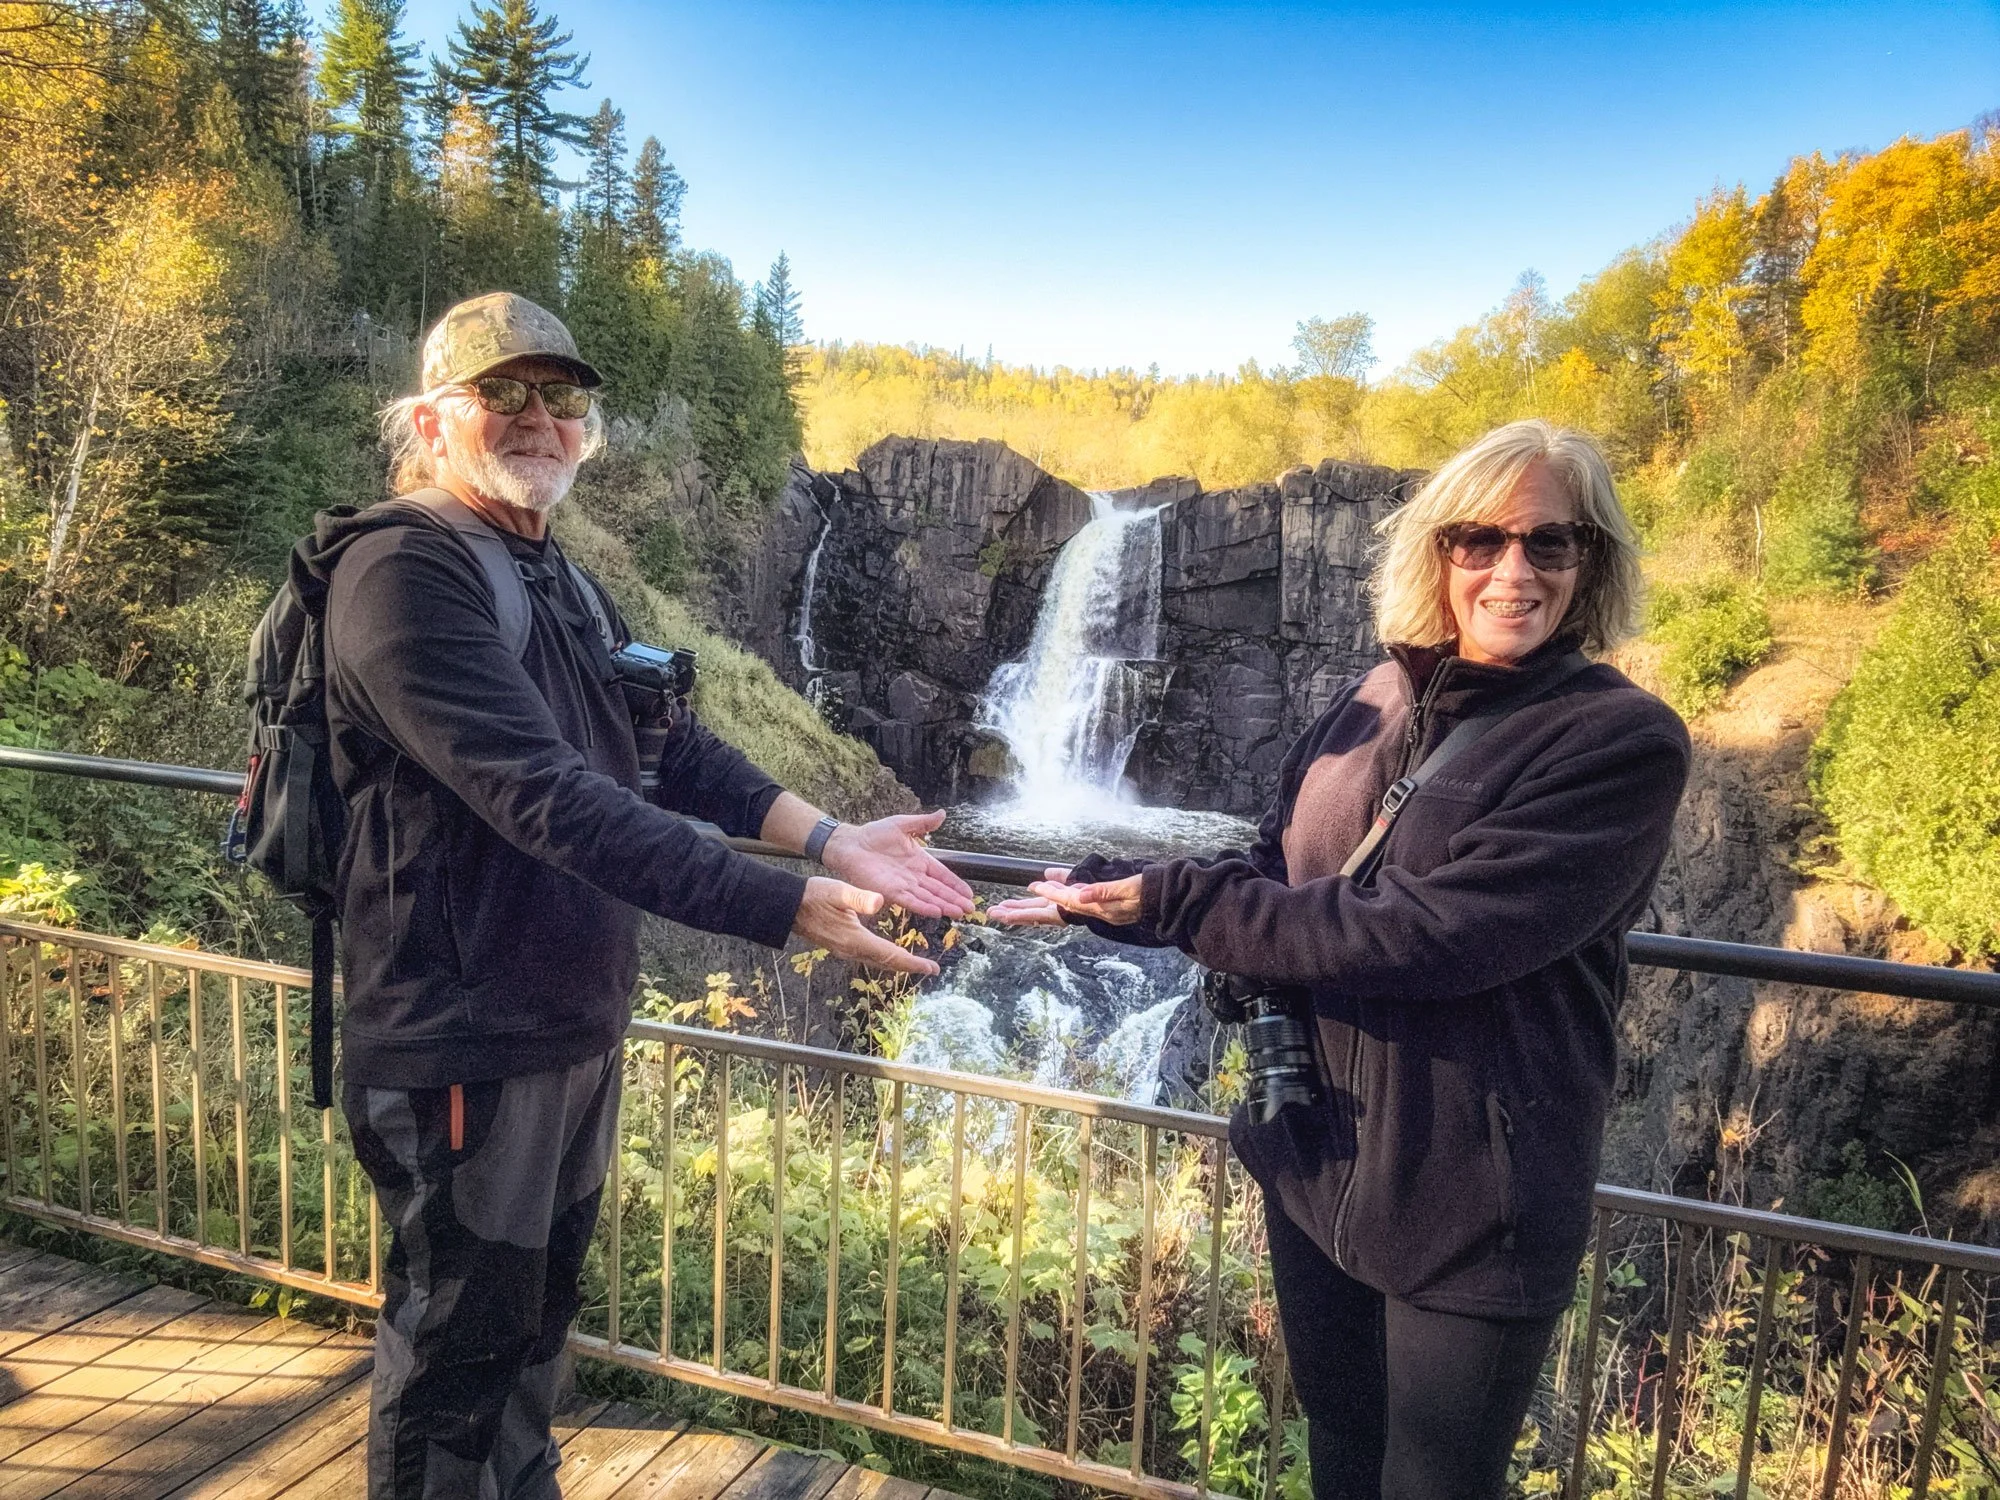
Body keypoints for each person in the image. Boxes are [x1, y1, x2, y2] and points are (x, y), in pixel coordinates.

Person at [310, 291, 976, 1500]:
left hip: (567, 1024)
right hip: (463, 1037)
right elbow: (546, 797)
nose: (537, 419)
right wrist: (783, 909)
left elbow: (671, 746)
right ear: (428, 417)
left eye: (560, 397)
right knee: (456, 1350)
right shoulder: (399, 574)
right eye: (500, 392)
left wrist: (831, 840)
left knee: (529, 1337)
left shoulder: (552, 574)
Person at [992, 419, 1690, 1500]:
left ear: (1589, 563)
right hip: (1314, 1154)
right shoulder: (1374, 696)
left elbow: (1425, 933)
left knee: (1430, 1484)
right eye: (1479, 540)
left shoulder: (1615, 742)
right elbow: (1275, 861)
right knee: (1339, 1453)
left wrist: (1179, 904)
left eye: (1549, 544)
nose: (1512, 570)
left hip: (1471, 1197)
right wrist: (1104, 888)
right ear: (1436, 553)